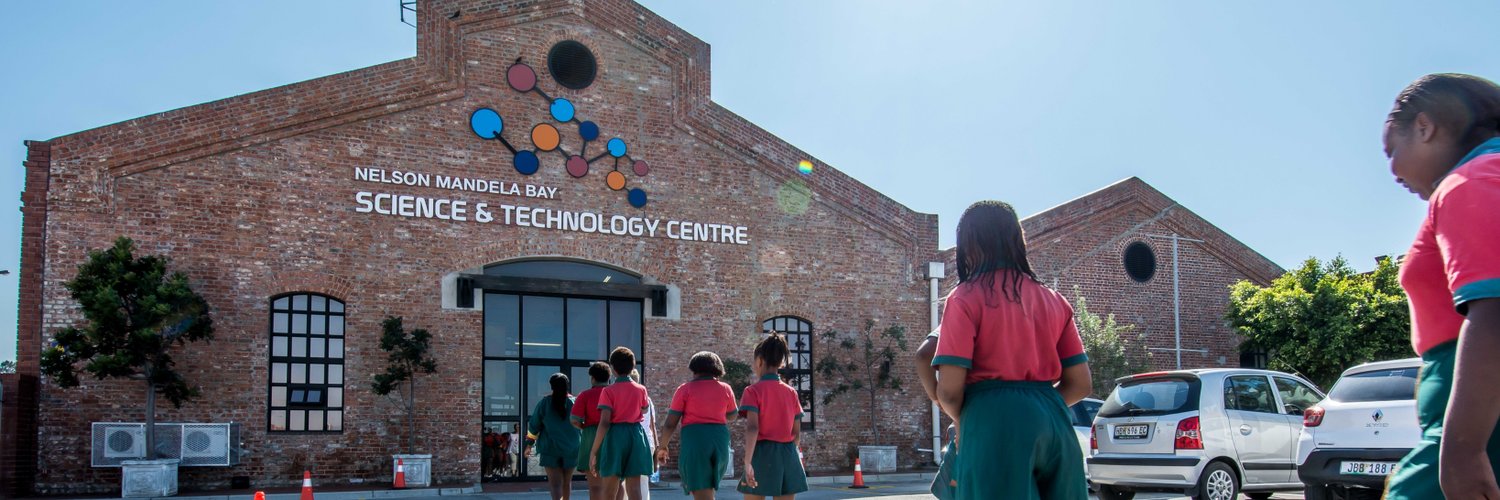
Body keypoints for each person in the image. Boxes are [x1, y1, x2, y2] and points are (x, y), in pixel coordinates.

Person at [1379, 73, 1500, 500]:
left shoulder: (1471, 180)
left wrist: (1463, 453)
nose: (1392, 170)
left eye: (1391, 150)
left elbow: (1494, 311)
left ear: (1425, 127)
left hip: (1480, 425)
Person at [932, 200, 1093, 500]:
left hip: (993, 423)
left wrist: (971, 419)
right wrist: (1038, 406)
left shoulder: (965, 298)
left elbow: (950, 391)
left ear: (969, 244)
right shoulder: (1054, 300)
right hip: (1055, 424)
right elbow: (1081, 383)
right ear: (1018, 240)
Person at [656, 351, 739, 500]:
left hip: (696, 439)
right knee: (709, 489)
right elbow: (733, 414)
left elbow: (670, 424)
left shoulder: (685, 389)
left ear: (694, 369)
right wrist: (717, 412)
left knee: (701, 491)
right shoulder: (725, 388)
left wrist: (662, 446)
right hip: (720, 440)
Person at [737, 333, 808, 500]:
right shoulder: (791, 392)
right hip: (788, 453)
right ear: (781, 362)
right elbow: (797, 433)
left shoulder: (752, 391)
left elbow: (753, 427)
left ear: (759, 360)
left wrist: (748, 462)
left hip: (761, 453)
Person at [588, 347, 654, 500]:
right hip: (636, 436)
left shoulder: (608, 391)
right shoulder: (641, 389)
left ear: (613, 368)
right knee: (635, 488)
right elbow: (644, 410)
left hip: (615, 436)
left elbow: (604, 422)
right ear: (632, 367)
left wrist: (594, 450)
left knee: (609, 489)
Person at [914, 327, 955, 500]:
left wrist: (938, 398)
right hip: (1042, 411)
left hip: (980, 416)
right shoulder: (1045, 301)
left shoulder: (967, 301)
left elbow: (924, 354)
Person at [530, 373, 583, 499]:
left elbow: (534, 426)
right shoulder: (575, 402)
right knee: (567, 482)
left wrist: (528, 444)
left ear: (551, 386)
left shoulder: (544, 403)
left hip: (550, 449)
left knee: (555, 484)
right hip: (572, 448)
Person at [572, 362, 613, 500]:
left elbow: (574, 419)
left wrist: (583, 427)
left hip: (591, 436)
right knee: (615, 486)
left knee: (595, 487)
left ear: (592, 378)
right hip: (613, 435)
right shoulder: (614, 393)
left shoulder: (585, 395)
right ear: (609, 377)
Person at [628, 369, 657, 500]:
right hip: (648, 441)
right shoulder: (648, 399)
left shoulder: (627, 397)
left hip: (632, 440)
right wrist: (656, 446)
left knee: (627, 480)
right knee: (643, 481)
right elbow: (652, 425)